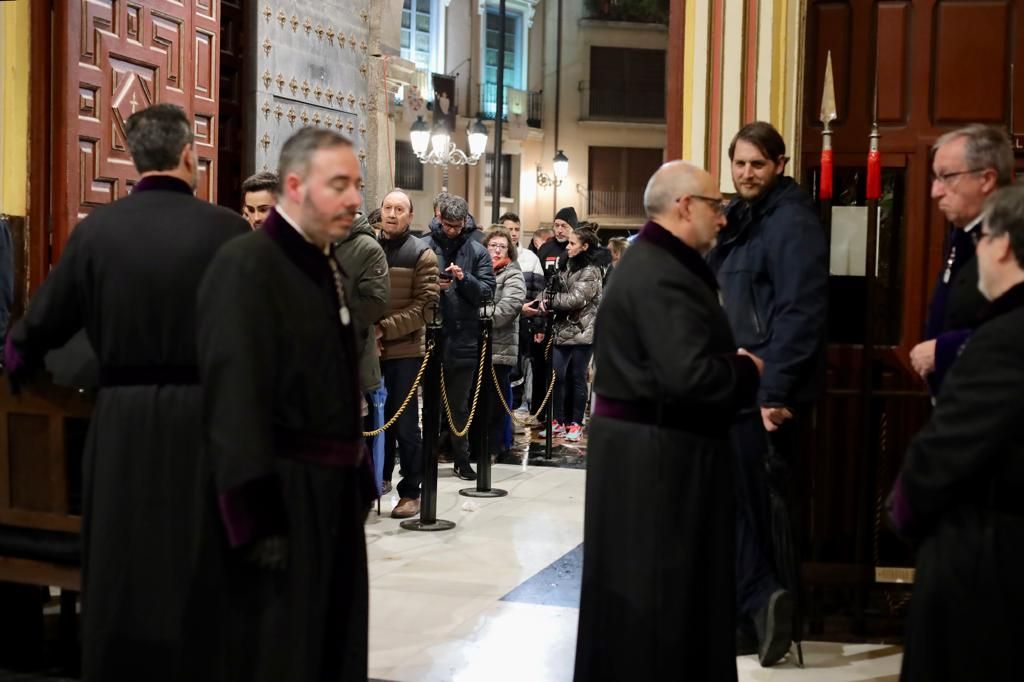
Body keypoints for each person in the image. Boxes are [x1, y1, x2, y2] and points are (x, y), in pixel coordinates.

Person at [3, 103, 249, 681]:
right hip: (205, 422)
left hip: (122, 422)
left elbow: (38, 329)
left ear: (135, 160)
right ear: (190, 155)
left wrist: (17, 363)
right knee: (196, 553)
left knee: (123, 553)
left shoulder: (97, 233)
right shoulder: (229, 231)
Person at [195, 127, 374, 681]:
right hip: (282, 498)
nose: (354, 200)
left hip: (331, 497)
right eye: (339, 185)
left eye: (357, 185)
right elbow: (234, 399)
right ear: (294, 186)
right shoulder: (247, 265)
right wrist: (254, 516)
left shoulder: (326, 264)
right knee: (281, 652)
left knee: (331, 647)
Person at [574, 161, 762, 681]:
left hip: (646, 454)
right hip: (658, 466)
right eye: (715, 206)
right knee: (659, 602)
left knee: (647, 598)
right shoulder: (662, 271)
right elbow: (689, 377)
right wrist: (746, 369)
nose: (722, 219)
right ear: (685, 206)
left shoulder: (657, 262)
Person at [887, 184, 1024, 682]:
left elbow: (943, 455)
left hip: (986, 557)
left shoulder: (1004, 340)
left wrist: (903, 512)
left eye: (982, 239)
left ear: (1003, 244)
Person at [706, 121, 827, 667]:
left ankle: (762, 607)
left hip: (765, 396)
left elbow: (800, 311)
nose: (746, 173)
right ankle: (751, 610)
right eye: (739, 163)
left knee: (757, 508)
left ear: (778, 164)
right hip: (735, 388)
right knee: (736, 505)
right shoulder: (744, 218)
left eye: (757, 163)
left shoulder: (791, 221)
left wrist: (775, 391)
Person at [909, 124, 1013, 394]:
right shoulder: (963, 232)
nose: (935, 191)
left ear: (986, 179)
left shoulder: (1013, 235)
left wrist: (944, 350)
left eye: (947, 177)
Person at [422, 193, 495, 480]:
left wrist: (465, 279)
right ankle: (425, 460)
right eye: (448, 224)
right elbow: (413, 289)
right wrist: (434, 285)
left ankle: (461, 460)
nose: (452, 230)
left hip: (464, 337)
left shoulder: (477, 250)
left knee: (459, 405)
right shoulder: (424, 245)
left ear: (465, 220)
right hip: (430, 335)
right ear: (439, 217)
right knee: (428, 404)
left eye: (457, 225)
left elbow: (488, 292)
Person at [377, 189, 440, 518]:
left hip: (404, 349)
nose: (391, 213)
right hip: (370, 350)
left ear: (410, 215)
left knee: (403, 424)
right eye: (387, 207)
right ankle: (378, 480)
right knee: (374, 422)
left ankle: (411, 491)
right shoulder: (369, 247)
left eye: (399, 209)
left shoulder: (421, 252)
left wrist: (384, 328)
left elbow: (425, 307)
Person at [528, 225, 603, 442]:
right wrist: (540, 299)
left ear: (585, 246)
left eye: (572, 243)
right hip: (562, 330)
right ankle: (557, 420)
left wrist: (548, 302)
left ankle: (576, 423)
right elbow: (552, 288)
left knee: (577, 377)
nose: (567, 247)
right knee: (556, 376)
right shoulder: (566, 265)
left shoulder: (591, 270)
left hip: (582, 331)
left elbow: (576, 299)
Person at [482, 228, 526, 458]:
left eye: (502, 246)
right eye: (493, 245)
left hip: (501, 348)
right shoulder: (479, 271)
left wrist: (478, 315)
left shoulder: (513, 274)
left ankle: (494, 447)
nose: (497, 250)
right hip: (477, 349)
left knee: (496, 403)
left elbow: (507, 309)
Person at [500, 212, 544, 415]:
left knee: (520, 368)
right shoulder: (490, 256)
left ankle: (516, 411)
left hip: (524, 324)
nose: (514, 233)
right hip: (500, 323)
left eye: (517, 229)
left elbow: (538, 293)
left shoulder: (530, 258)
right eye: (509, 229)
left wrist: (538, 324)